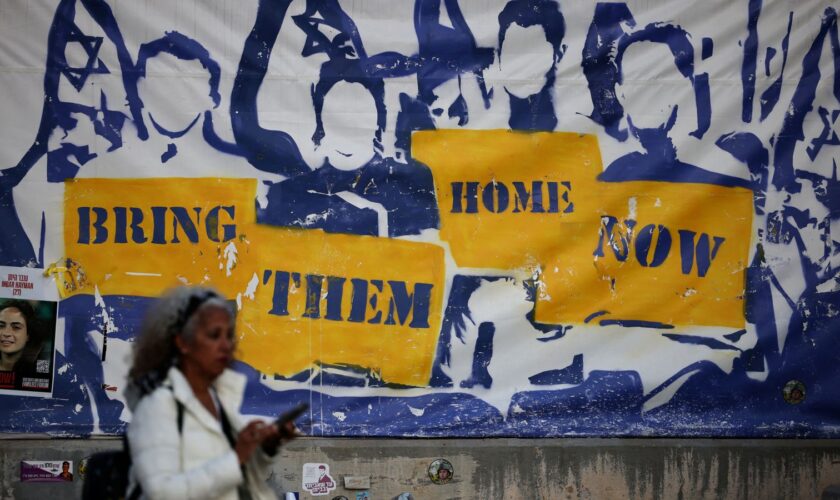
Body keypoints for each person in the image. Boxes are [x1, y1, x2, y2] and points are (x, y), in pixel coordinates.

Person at [125, 286, 296, 499]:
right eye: (214, 335)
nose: (226, 345)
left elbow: (237, 478)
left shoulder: (220, 400)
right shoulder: (158, 406)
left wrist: (265, 449)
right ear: (182, 343)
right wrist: (237, 457)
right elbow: (162, 493)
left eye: (229, 336)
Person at [0, 300, 44, 390]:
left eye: (16, 327)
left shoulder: (39, 371)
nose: (6, 333)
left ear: (28, 334)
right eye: (1, 325)